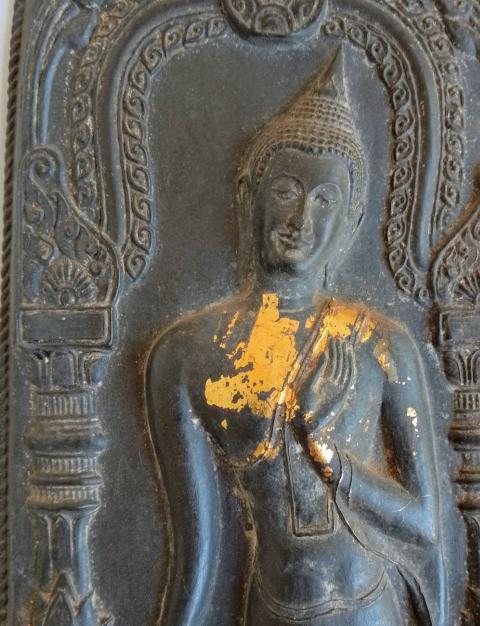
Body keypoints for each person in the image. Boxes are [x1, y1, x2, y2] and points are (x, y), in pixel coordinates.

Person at [147, 49, 445, 625]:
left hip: (366, 609)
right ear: (248, 193)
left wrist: (326, 451)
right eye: (285, 190)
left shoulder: (379, 345)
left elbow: (424, 524)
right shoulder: (187, 355)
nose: (300, 220)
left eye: (324, 200)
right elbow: (195, 549)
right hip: (273, 607)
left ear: (351, 219)